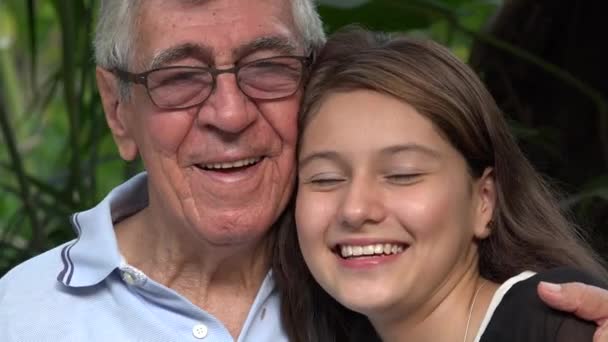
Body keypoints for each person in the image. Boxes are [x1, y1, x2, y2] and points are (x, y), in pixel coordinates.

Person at [0, 1, 607, 341]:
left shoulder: (379, 291)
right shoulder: (17, 319)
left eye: (266, 66)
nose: (230, 113)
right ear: (118, 110)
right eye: (179, 78)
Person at [277, 27, 608, 342]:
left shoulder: (557, 322)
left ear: (484, 201)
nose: (355, 209)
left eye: (402, 174)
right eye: (326, 179)